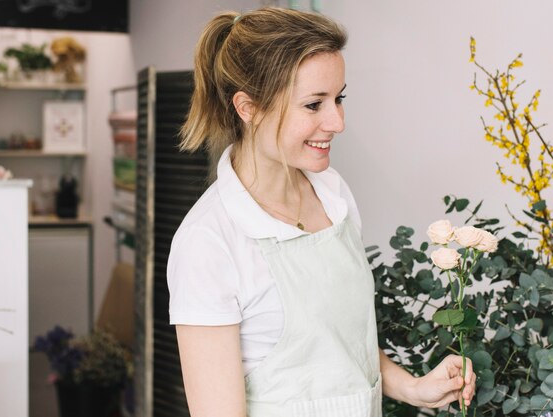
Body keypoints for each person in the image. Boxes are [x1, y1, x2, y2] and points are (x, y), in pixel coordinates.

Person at [167, 7, 476, 417]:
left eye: (339, 98)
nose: (338, 121)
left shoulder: (333, 194)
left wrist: (414, 388)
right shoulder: (208, 242)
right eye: (314, 104)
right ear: (248, 108)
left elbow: (341, 346)